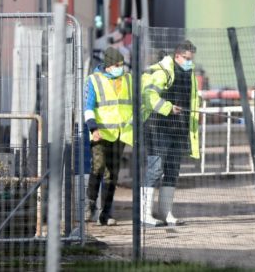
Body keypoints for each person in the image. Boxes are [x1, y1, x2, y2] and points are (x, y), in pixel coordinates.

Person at [141, 40, 200, 226]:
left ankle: (166, 213)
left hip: (179, 129)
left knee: (172, 171)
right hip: (159, 127)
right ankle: (144, 214)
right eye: (187, 58)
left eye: (191, 59)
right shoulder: (163, 72)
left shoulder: (188, 73)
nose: (189, 62)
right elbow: (148, 96)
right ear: (177, 56)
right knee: (155, 170)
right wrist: (167, 107)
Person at [84, 47, 133, 226]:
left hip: (120, 133)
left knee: (112, 174)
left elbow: (134, 104)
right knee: (98, 167)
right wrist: (92, 128)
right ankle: (90, 205)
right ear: (109, 65)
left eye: (121, 64)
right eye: (117, 65)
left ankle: (106, 213)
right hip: (100, 132)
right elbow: (88, 107)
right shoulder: (94, 80)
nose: (121, 68)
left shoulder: (128, 79)